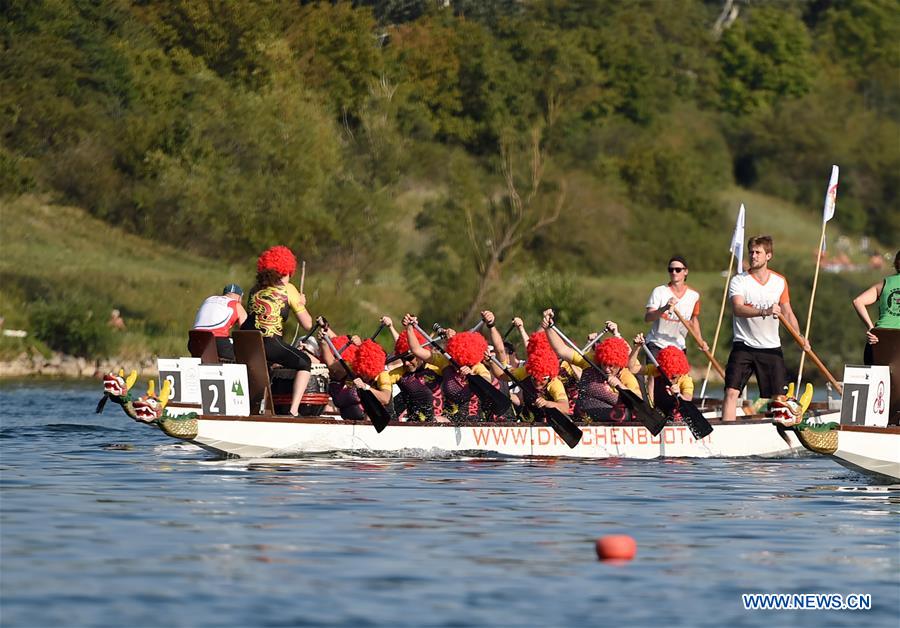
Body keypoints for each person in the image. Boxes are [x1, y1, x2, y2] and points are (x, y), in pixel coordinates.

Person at [722, 235, 808, 421]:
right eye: (751, 252)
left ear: (768, 256)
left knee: (777, 398)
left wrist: (799, 336)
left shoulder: (779, 282)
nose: (753, 256)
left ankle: (778, 432)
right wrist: (765, 311)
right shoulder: (739, 281)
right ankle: (725, 432)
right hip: (743, 345)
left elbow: (788, 312)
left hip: (770, 348)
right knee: (731, 392)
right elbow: (737, 308)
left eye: (758, 252)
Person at [242, 246, 313, 417]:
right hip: (270, 344)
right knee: (305, 362)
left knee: (270, 364)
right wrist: (301, 304)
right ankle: (293, 411)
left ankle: (257, 409)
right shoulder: (288, 289)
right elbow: (308, 324)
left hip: (248, 346)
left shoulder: (254, 289)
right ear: (285, 271)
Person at [542, 309, 642, 422]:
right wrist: (549, 328)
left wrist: (620, 385)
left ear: (620, 364)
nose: (607, 369)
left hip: (614, 422)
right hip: (582, 419)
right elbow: (561, 350)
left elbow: (640, 404)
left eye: (611, 366)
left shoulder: (626, 376)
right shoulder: (590, 363)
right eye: (604, 364)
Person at [851, 250, 900, 364]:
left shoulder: (885, 283)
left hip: (878, 337)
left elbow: (858, 301)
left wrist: (871, 328)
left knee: (875, 380)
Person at [190, 284, 248, 361]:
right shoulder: (237, 305)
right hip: (217, 342)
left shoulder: (209, 299)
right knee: (244, 356)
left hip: (194, 340)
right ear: (240, 298)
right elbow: (247, 332)